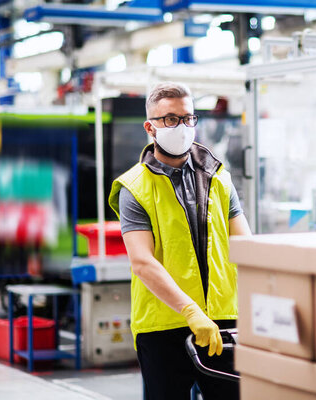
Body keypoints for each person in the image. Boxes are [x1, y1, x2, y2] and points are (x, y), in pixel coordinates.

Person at [108, 81, 251, 400]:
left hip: (223, 323)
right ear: (150, 127)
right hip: (164, 328)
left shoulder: (220, 179)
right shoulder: (135, 188)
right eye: (170, 119)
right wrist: (190, 311)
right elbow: (142, 262)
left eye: (188, 118)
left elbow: (246, 247)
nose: (182, 126)